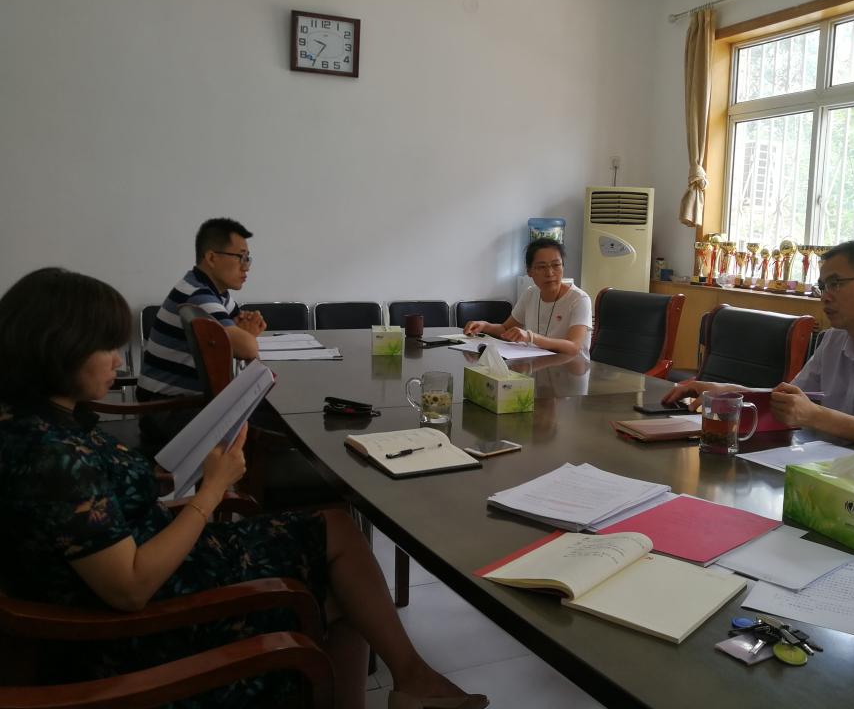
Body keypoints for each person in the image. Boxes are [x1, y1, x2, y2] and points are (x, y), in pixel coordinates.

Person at [0, 268, 487, 709]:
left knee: (335, 531)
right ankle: (412, 680)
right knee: (339, 564)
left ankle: (412, 680)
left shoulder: (38, 424)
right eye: (104, 348)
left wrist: (176, 487)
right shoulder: (52, 458)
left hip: (151, 554)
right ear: (57, 349)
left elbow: (97, 520)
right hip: (138, 629)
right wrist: (211, 491)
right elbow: (130, 587)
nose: (116, 360)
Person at [662, 240, 854, 447]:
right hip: (839, 468)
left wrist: (817, 416)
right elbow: (791, 402)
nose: (825, 296)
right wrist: (726, 392)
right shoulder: (835, 338)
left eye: (836, 284)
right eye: (822, 286)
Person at [138, 217, 266, 399]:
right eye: (241, 257)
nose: (246, 267)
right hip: (167, 406)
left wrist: (244, 334)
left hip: (184, 401)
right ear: (212, 258)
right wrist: (247, 337)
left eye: (248, 259)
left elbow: (239, 327)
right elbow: (247, 348)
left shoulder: (213, 291)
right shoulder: (197, 295)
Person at [463, 238, 592, 357]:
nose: (550, 273)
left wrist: (531, 337)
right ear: (529, 271)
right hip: (538, 364)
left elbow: (574, 347)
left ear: (563, 267)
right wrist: (484, 326)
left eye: (556, 265)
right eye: (541, 267)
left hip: (571, 369)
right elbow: (505, 329)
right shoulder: (530, 294)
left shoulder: (579, 299)